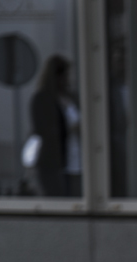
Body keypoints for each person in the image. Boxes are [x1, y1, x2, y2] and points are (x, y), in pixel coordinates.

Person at [30, 55, 82, 197]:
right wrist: (69, 128)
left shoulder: (71, 97)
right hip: (54, 162)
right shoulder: (42, 99)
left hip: (77, 160)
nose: (67, 79)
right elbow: (41, 129)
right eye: (65, 75)